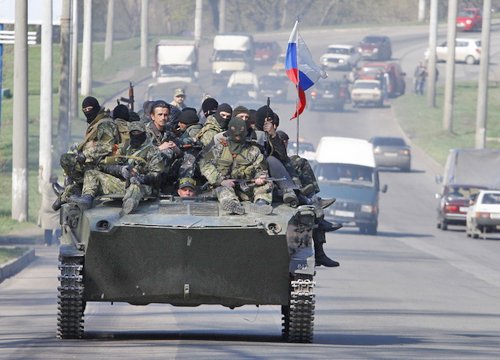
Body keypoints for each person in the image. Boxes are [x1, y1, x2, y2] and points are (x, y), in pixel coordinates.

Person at [70, 121, 164, 215]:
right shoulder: (125, 148)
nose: (135, 135)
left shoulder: (153, 151)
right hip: (123, 183)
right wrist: (121, 170)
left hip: (143, 186)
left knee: (135, 185)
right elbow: (107, 166)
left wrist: (141, 178)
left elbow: (157, 175)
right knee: (91, 173)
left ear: (144, 133)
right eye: (133, 133)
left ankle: (128, 205)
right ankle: (87, 199)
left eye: (138, 133)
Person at [53, 96, 119, 210]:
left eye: (90, 109)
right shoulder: (95, 124)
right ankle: (72, 189)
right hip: (95, 161)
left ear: (96, 108)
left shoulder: (105, 124)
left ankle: (73, 190)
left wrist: (85, 155)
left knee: (68, 160)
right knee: (67, 158)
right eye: (85, 111)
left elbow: (107, 146)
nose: (87, 113)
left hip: (105, 164)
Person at [199, 116, 273, 215]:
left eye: (241, 131)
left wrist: (260, 178)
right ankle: (233, 206)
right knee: (223, 190)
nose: (238, 135)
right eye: (235, 131)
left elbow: (260, 169)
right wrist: (221, 180)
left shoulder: (253, 150)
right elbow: (204, 163)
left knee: (266, 184)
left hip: (247, 186)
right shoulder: (218, 148)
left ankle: (260, 204)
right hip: (224, 185)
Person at [38, 175, 62, 246]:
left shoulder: (45, 186)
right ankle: (58, 242)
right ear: (56, 180)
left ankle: (47, 242)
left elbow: (40, 180)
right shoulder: (59, 187)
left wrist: (40, 172)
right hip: (56, 209)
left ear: (49, 180)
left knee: (47, 227)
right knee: (58, 227)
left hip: (46, 210)